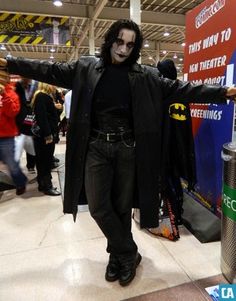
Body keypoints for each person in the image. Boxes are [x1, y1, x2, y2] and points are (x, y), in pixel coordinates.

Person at [0, 19, 236, 286]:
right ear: (111, 39)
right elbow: (49, 70)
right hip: (96, 148)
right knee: (99, 206)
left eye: (130, 44)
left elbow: (183, 89)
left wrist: (224, 92)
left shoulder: (146, 75)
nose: (123, 49)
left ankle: (117, 257)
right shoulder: (87, 67)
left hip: (128, 149)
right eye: (119, 41)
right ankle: (128, 251)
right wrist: (12, 63)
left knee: (122, 208)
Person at [157, 59, 196, 224]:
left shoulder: (163, 91)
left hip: (165, 145)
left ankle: (172, 212)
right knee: (175, 178)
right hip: (181, 144)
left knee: (166, 178)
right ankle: (177, 210)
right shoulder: (182, 91)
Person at [31, 82, 61, 196]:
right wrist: (48, 135)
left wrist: (56, 108)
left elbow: (47, 115)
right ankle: (47, 186)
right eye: (53, 84)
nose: (54, 86)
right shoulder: (42, 97)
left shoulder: (42, 96)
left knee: (43, 160)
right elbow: (42, 117)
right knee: (45, 161)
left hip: (44, 135)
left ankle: (42, 184)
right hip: (45, 136)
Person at [0, 82, 27, 195]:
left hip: (6, 136)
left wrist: (4, 95)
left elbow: (13, 112)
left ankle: (21, 182)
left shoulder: (11, 94)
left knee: (11, 164)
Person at [14, 77, 36, 173]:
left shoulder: (34, 87)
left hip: (29, 117)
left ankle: (31, 165)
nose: (29, 81)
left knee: (30, 141)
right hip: (19, 118)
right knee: (19, 143)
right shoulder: (18, 86)